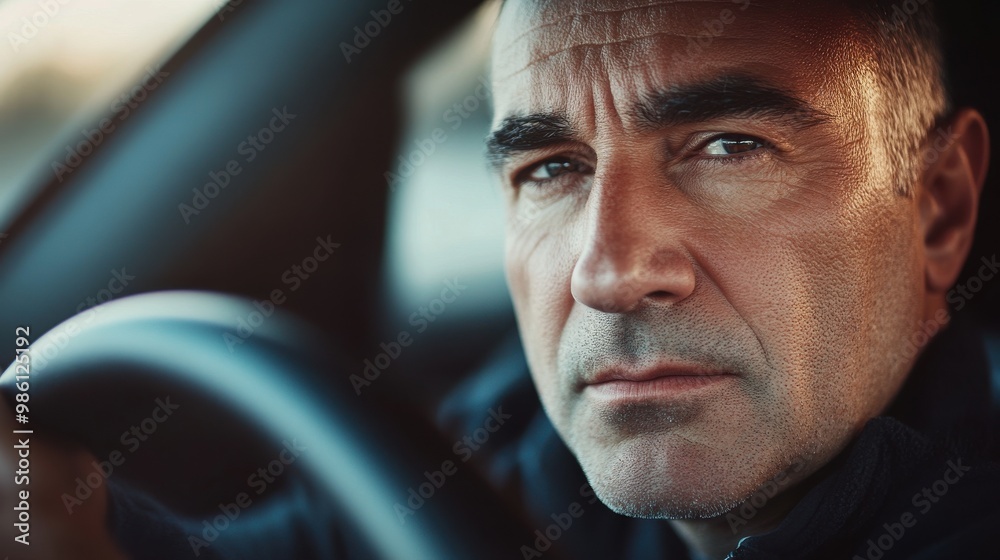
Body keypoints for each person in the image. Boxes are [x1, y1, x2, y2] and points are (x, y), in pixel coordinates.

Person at [2, 0, 997, 558]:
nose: (608, 273)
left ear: (939, 208)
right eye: (551, 169)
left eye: (729, 147)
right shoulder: (507, 441)